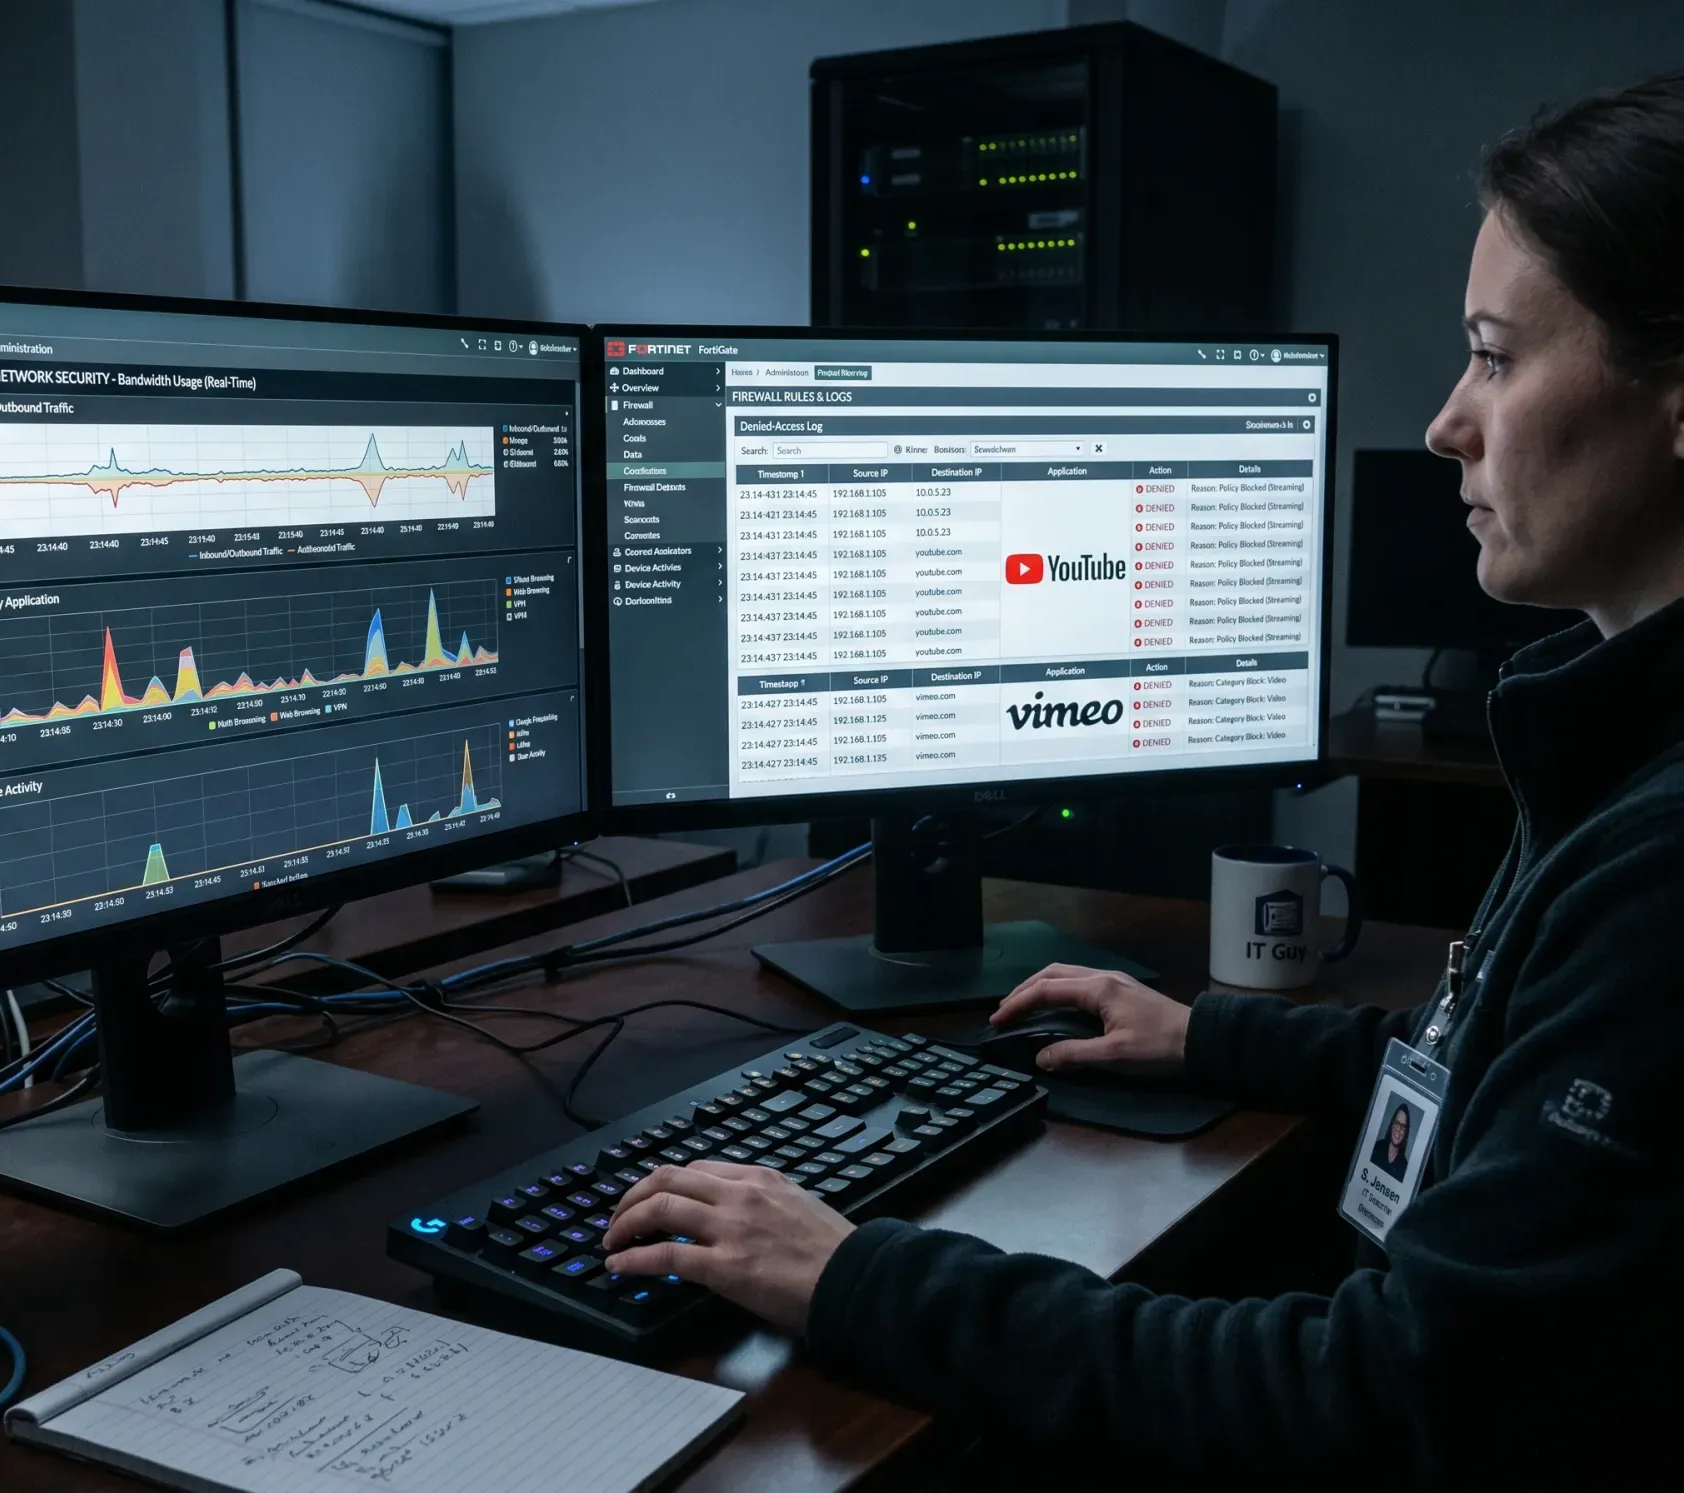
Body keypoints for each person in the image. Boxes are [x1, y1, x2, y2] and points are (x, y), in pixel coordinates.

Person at [602, 73, 1684, 1487]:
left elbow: (1390, 1401)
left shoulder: (1662, 869)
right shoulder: (1617, 756)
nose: (1444, 424)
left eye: (1493, 355)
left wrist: (860, 1272)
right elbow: (1501, 1093)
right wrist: (1215, 1035)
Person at [1370, 1100, 1412, 1181]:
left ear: (1406, 1132)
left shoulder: (1404, 1168)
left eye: (1403, 1126)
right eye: (1397, 1123)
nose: (1399, 1129)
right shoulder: (1377, 1147)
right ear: (1392, 1125)